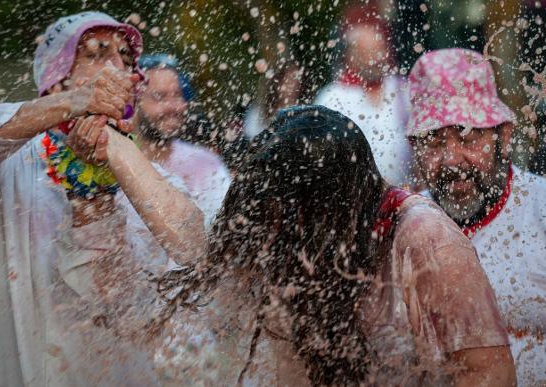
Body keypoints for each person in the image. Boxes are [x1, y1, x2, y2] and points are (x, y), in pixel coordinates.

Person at [0, 11, 206, 386]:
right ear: (56, 82)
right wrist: (75, 104)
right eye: (95, 54)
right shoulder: (7, 163)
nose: (116, 68)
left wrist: (97, 199)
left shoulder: (149, 180)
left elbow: (174, 270)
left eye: (125, 58)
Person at [146, 106, 515, 385]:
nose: (283, 227)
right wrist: (113, 141)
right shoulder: (289, 229)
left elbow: (489, 374)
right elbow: (199, 248)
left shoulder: (424, 237)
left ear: (337, 203)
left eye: (295, 212)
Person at [408, 48, 546, 386]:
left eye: (469, 136)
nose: (453, 159)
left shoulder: (540, 209)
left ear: (505, 136)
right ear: (414, 148)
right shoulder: (407, 229)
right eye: (435, 142)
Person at [315, 3, 412, 187]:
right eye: (367, 53)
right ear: (351, 56)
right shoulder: (332, 97)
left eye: (379, 51)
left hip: (404, 195)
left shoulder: (403, 89)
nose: (376, 59)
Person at [135, 54, 231, 227]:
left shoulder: (205, 165)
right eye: (159, 97)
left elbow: (224, 233)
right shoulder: (115, 164)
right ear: (133, 102)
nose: (174, 107)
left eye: (178, 95)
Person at [243, 61, 305, 139]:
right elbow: (251, 138)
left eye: (297, 79)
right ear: (278, 82)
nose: (293, 84)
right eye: (289, 79)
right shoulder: (258, 112)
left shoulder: (305, 111)